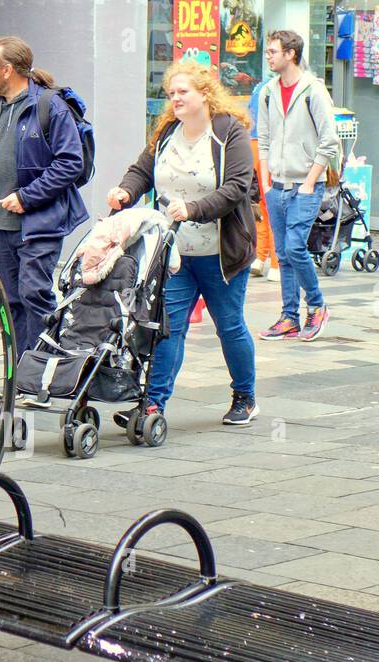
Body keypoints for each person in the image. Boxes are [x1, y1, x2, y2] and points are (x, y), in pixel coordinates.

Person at [106, 61, 259, 427]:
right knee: (168, 327)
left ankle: (245, 396)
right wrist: (125, 191)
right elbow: (142, 170)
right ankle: (153, 405)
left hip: (221, 254)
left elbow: (237, 186)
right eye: (171, 93)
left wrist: (193, 208)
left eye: (182, 92)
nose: (174, 98)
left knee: (229, 325)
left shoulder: (228, 133)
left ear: (204, 94)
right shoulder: (167, 134)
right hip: (174, 254)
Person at [0, 36, 88, 357]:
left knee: (34, 294)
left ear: (7, 69)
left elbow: (70, 163)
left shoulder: (49, 106)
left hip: (40, 222)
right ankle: (19, 376)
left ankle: (40, 373)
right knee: (11, 300)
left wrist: (26, 197)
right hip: (1, 225)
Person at [255, 29, 341, 342]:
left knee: (294, 247)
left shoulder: (313, 91)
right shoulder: (267, 91)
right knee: (283, 252)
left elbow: (329, 140)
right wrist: (264, 179)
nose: (269, 56)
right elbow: (262, 138)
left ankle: (317, 306)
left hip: (305, 185)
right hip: (276, 185)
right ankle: (289, 316)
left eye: (273, 51)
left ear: (291, 54)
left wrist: (309, 182)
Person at [247, 76, 279, 282]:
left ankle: (259, 257)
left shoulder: (259, 87)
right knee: (275, 206)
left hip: (252, 146)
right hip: (271, 148)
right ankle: (276, 264)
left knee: (258, 204)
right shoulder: (279, 87)